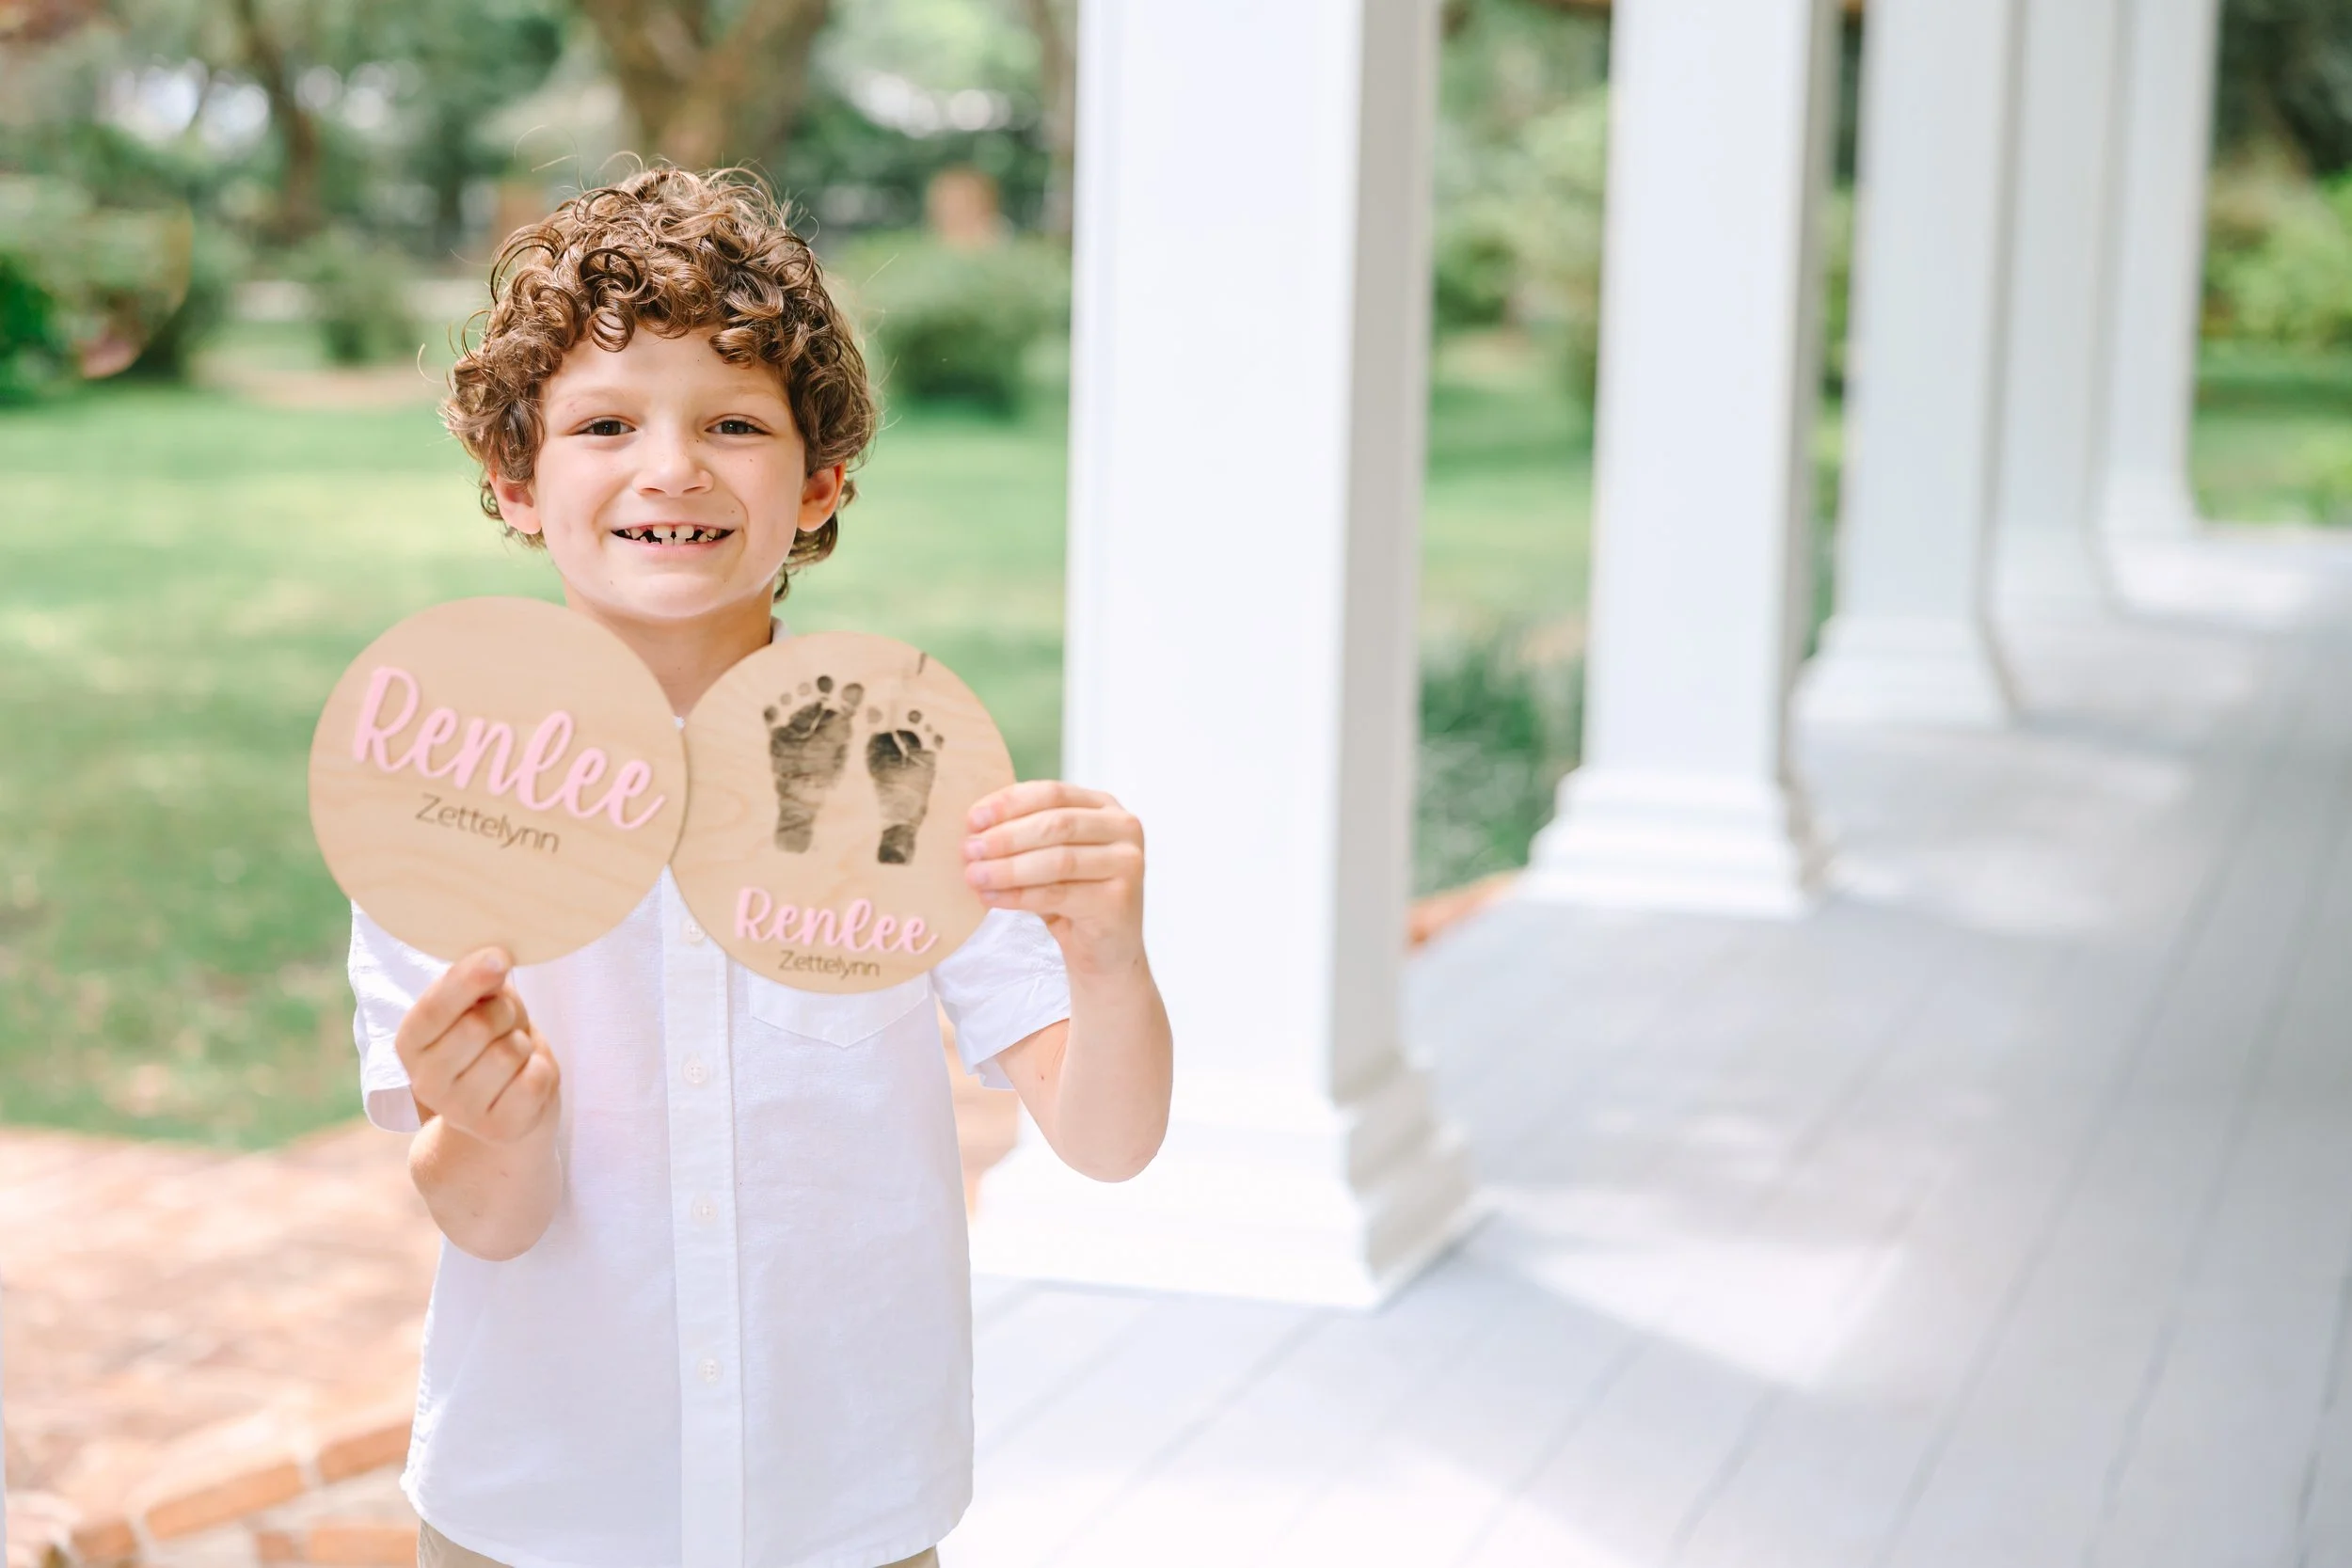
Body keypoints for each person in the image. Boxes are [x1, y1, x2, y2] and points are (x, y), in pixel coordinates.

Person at [345, 166, 1174, 1568]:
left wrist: (1108, 960)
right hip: (541, 1505)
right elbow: (487, 1216)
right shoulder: (445, 798)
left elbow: (1108, 1139)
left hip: (841, 1505)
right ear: (516, 482)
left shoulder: (910, 769)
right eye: (605, 424)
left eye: (733, 423)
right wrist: (499, 1125)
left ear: (821, 481)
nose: (671, 466)